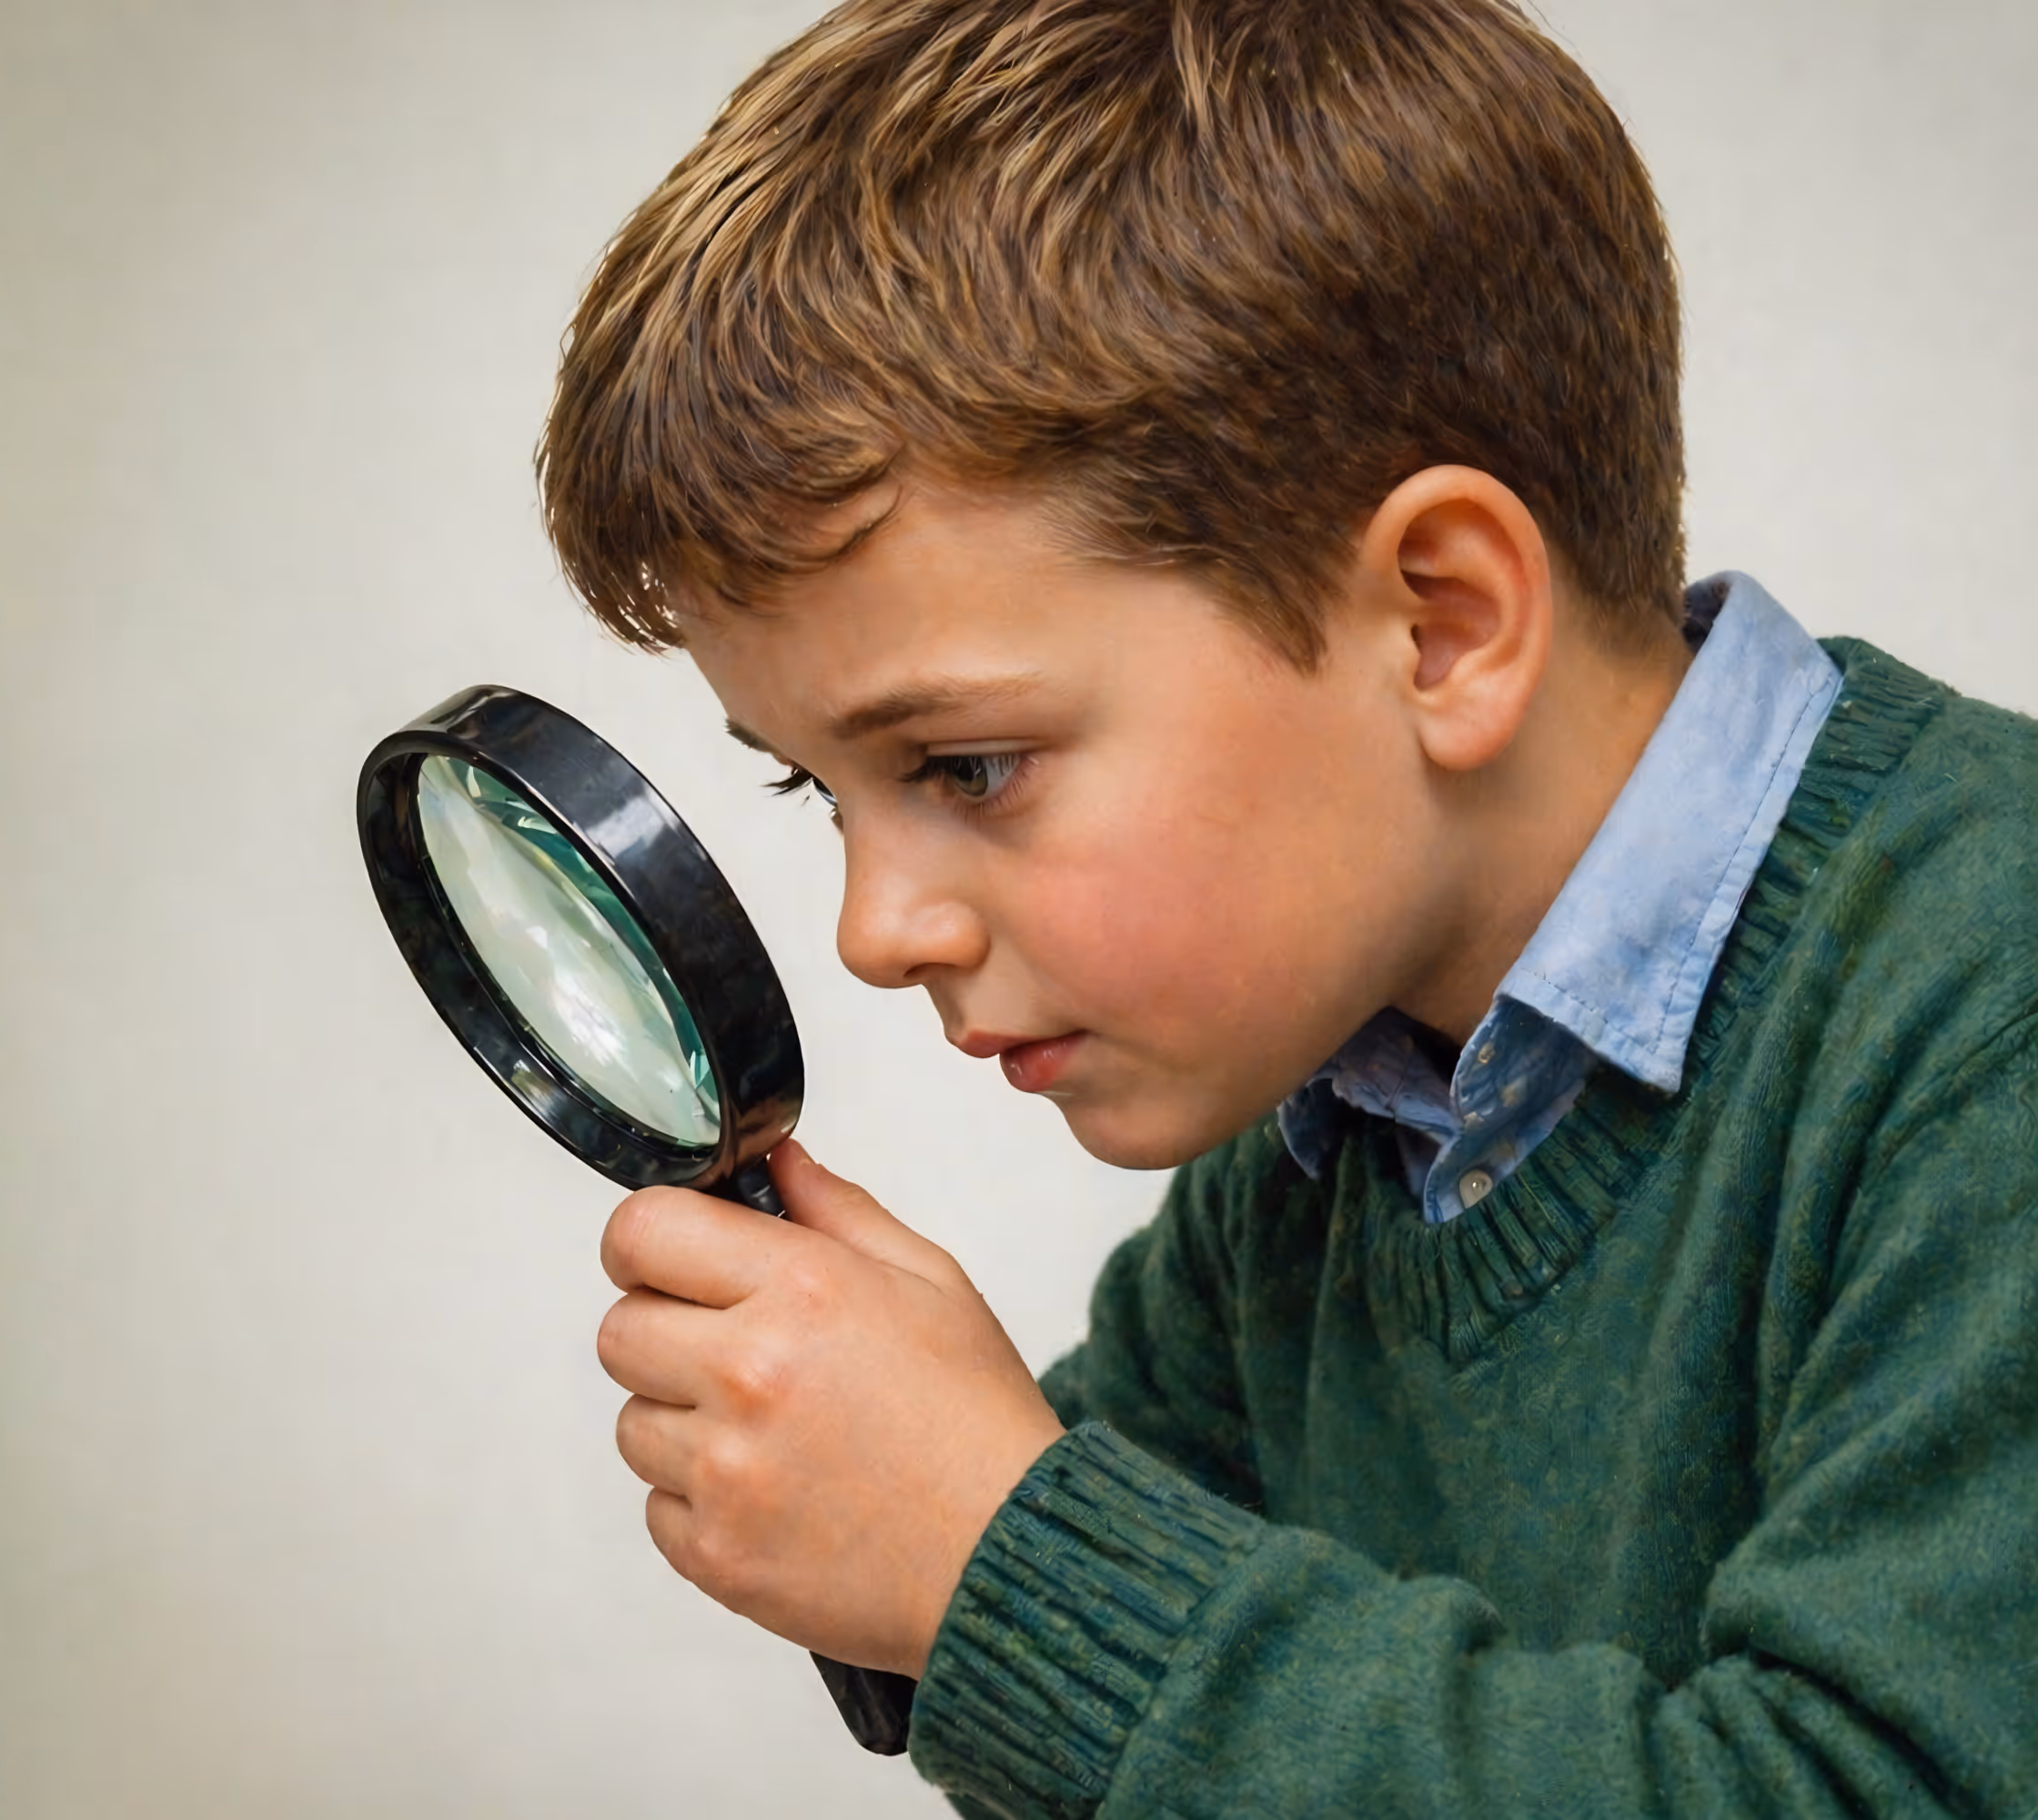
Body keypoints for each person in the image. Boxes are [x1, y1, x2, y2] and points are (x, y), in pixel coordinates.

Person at [532, 0, 2038, 1813]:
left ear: (1441, 624)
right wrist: (912, 1517)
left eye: (967, 765)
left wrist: (1002, 1561)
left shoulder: (1990, 1006)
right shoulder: (1344, 1116)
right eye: (815, 786)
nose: (876, 931)